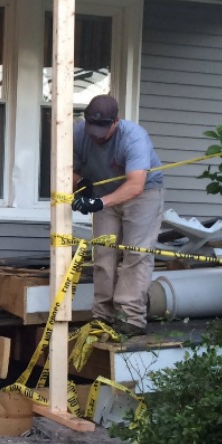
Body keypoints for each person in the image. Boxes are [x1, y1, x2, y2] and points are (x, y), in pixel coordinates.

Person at [71, 95, 164, 338]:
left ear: (116, 121)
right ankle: (102, 317)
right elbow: (65, 169)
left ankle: (130, 319)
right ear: (86, 120)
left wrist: (99, 202)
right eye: (92, 127)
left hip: (143, 194)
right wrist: (81, 186)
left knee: (136, 253)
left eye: (103, 129)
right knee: (104, 253)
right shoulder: (79, 133)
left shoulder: (134, 138)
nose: (96, 134)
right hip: (104, 192)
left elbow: (135, 185)